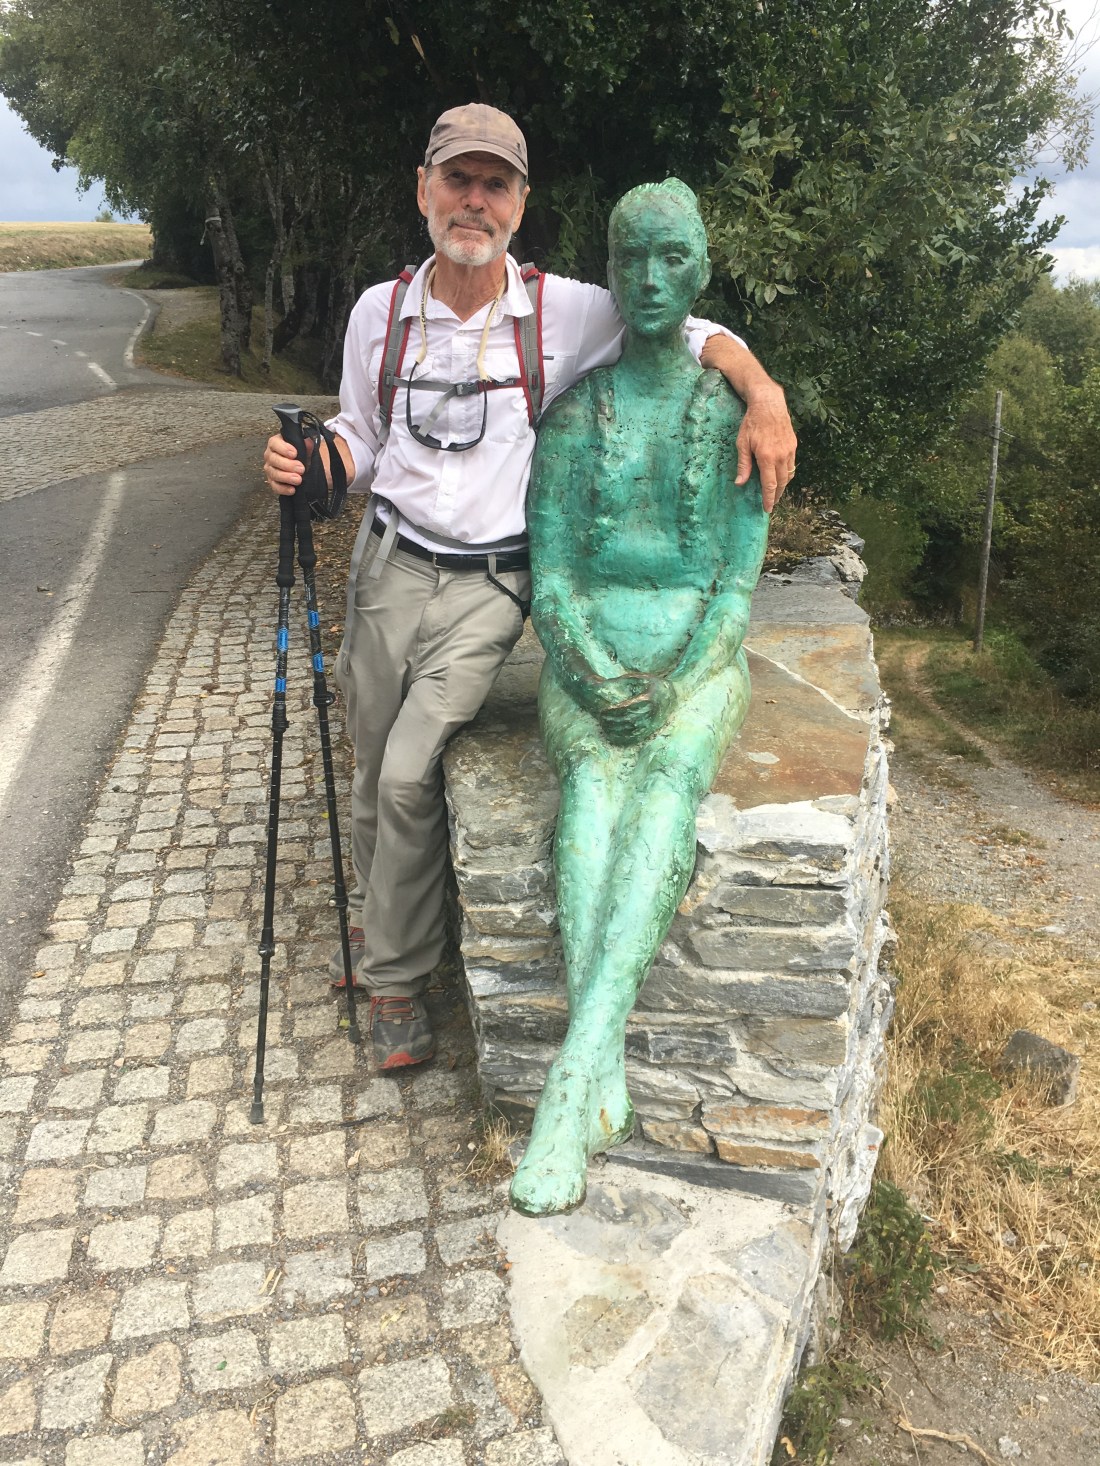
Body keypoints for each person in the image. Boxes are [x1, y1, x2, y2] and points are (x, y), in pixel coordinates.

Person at [263, 104, 796, 1072]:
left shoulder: (564, 311)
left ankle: (395, 983)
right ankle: (387, 928)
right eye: (457, 180)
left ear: (518, 202)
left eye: (494, 184)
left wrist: (762, 394)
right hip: (387, 564)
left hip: (489, 584)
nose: (473, 201)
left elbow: (688, 323)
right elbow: (363, 436)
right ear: (423, 189)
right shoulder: (380, 312)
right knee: (371, 763)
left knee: (407, 769)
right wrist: (313, 463)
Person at [512, 178, 769, 1215]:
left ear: (700, 268)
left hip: (696, 665)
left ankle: (571, 1080)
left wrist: (676, 678)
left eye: (671, 257)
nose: (650, 278)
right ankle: (596, 1068)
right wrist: (593, 673)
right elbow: (552, 579)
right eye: (631, 258)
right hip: (589, 660)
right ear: (609, 273)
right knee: (587, 795)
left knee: (663, 788)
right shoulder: (575, 415)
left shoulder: (737, 417)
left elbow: (736, 588)